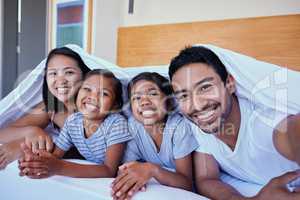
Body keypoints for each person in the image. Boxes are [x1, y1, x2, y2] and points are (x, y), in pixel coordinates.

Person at [169, 46, 300, 199]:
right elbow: (206, 179)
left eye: (205, 87)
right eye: (184, 96)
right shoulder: (198, 124)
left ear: (230, 83)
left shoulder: (268, 123)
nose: (197, 105)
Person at [18, 69, 132, 178]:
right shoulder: (73, 121)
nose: (93, 97)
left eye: (104, 94)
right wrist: (35, 163)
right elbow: (56, 156)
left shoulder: (116, 123)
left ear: (114, 105)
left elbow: (109, 170)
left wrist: (59, 167)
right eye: (87, 89)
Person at [111, 72, 199, 200]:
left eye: (153, 94)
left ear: (168, 103)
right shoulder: (133, 126)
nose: (145, 102)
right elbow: (125, 169)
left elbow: (187, 184)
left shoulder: (179, 127)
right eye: (137, 98)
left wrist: (153, 169)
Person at [0, 47, 90, 170]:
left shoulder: (94, 107)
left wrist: (22, 147)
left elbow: (91, 151)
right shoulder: (53, 107)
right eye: (53, 73)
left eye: (69, 72)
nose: (60, 80)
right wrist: (32, 132)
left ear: (85, 76)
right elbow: (3, 133)